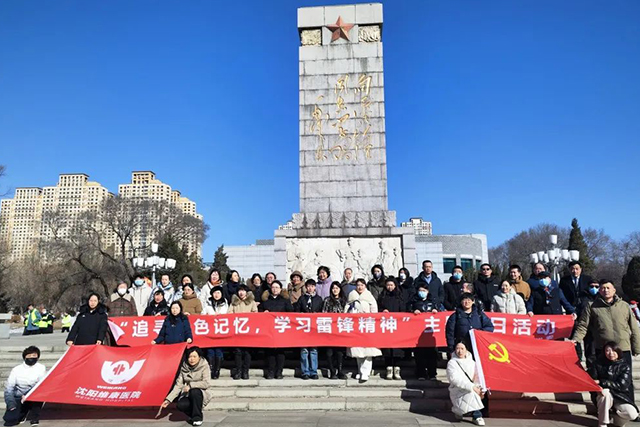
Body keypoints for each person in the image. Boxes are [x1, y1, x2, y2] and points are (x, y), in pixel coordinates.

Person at [572, 280, 640, 369]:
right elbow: (583, 325)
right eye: (603, 288)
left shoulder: (624, 306)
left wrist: (636, 347)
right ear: (600, 291)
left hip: (622, 348)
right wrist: (576, 339)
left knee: (625, 379)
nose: (606, 290)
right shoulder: (592, 306)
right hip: (603, 349)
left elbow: (634, 327)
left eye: (608, 288)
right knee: (605, 379)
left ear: (614, 290)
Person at [161, 347, 212, 427]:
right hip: (187, 394)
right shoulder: (184, 367)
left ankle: (197, 418)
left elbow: (206, 383)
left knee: (194, 391)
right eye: (190, 357)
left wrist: (191, 385)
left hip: (201, 393)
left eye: (194, 356)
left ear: (199, 357)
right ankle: (194, 414)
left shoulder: (204, 366)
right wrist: (168, 399)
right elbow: (178, 385)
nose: (192, 359)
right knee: (180, 405)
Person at [591, 342, 638, 427]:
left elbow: (621, 385)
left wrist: (601, 382)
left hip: (619, 396)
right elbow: (592, 381)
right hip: (603, 396)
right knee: (605, 393)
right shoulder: (597, 364)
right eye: (607, 351)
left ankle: (615, 415)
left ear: (618, 351)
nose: (611, 353)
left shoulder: (625, 366)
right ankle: (603, 423)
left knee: (632, 414)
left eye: (613, 350)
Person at [345, 278, 382, 383]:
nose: (360, 287)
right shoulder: (351, 296)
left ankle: (366, 372)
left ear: (365, 286)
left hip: (367, 326)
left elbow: (374, 311)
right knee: (357, 351)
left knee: (367, 351)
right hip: (355, 327)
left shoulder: (369, 297)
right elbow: (346, 310)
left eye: (362, 285)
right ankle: (360, 371)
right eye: (358, 285)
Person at [2, 346, 46, 427]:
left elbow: (41, 384)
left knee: (39, 394)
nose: (31, 358)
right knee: (10, 420)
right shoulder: (16, 369)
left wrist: (28, 395)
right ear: (24, 357)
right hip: (18, 395)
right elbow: (9, 388)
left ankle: (35, 417)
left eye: (34, 356)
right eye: (29, 356)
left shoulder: (41, 368)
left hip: (34, 393)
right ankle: (22, 413)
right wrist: (11, 404)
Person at [446, 339, 486, 426]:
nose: (459, 351)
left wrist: (478, 386)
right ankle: (475, 415)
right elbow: (454, 379)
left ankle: (477, 416)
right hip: (458, 388)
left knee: (475, 393)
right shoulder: (452, 363)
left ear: (466, 349)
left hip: (472, 387)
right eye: (457, 348)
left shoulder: (472, 362)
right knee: (472, 393)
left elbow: (477, 376)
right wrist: (471, 387)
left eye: (462, 348)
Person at [260, 280, 293, 379]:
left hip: (281, 329)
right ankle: (270, 371)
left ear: (280, 289)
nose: (275, 289)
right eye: (273, 287)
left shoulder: (285, 301)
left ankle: (279, 371)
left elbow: (291, 312)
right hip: (269, 330)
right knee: (270, 351)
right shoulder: (266, 301)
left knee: (280, 352)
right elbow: (260, 311)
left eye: (277, 287)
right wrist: (263, 312)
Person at [378, 277, 406, 380]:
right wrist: (383, 311)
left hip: (398, 326)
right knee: (387, 347)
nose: (390, 287)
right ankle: (388, 368)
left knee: (397, 348)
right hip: (386, 325)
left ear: (395, 286)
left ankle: (397, 368)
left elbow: (404, 310)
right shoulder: (383, 297)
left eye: (391, 285)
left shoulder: (400, 297)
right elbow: (378, 308)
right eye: (388, 285)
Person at [411, 284, 440, 380]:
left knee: (432, 354)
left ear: (428, 292)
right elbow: (406, 310)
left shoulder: (433, 302)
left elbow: (441, 312)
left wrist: (436, 310)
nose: (422, 292)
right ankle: (421, 373)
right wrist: (413, 311)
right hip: (417, 333)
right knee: (419, 354)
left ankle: (432, 374)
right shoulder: (413, 301)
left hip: (431, 332)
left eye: (424, 290)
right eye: (420, 290)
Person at [228, 285, 257, 380]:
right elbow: (229, 315)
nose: (241, 293)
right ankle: (238, 371)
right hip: (237, 332)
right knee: (237, 352)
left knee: (247, 352)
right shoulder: (233, 303)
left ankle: (245, 371)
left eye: (243, 291)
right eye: (240, 291)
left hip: (248, 332)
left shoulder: (251, 302)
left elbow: (255, 314)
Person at [296, 279, 323, 380]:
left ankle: (314, 371)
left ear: (315, 287)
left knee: (313, 350)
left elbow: (322, 312)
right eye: (308, 286)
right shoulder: (302, 298)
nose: (310, 288)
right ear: (306, 287)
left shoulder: (319, 299)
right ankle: (305, 372)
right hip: (303, 328)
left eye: (312, 286)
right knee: (304, 350)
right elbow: (296, 312)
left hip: (314, 328)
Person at [322, 282, 347, 379]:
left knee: (340, 352)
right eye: (333, 288)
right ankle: (332, 370)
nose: (335, 290)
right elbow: (324, 313)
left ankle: (340, 370)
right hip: (329, 329)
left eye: (337, 288)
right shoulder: (327, 300)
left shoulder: (344, 301)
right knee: (329, 352)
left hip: (341, 329)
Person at [202, 286, 228, 379]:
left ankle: (217, 370)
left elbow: (227, 315)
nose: (216, 295)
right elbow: (203, 314)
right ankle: (211, 369)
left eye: (218, 293)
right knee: (210, 351)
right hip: (210, 330)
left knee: (219, 351)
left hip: (220, 330)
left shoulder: (225, 303)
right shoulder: (207, 303)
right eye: (215, 293)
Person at [574, 278, 600, 366]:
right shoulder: (582, 297)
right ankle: (591, 371)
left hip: (600, 328)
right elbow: (578, 309)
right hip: (587, 328)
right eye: (592, 286)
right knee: (590, 352)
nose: (594, 288)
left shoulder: (602, 297)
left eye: (596, 286)